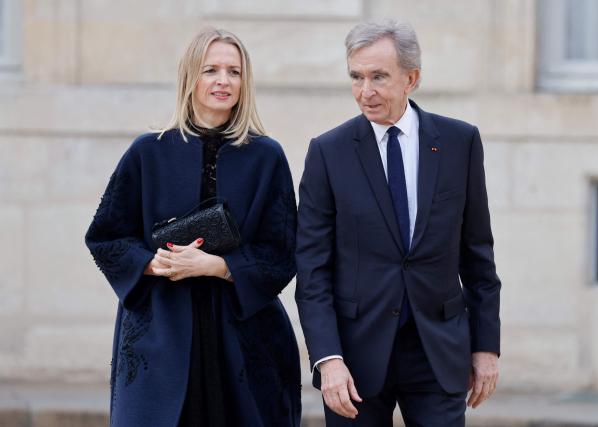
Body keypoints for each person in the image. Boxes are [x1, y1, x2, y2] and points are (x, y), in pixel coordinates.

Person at [85, 28, 301, 427]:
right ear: (190, 77)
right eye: (211, 70)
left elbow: (284, 250)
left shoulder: (266, 157)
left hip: (244, 337)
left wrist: (217, 267)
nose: (224, 81)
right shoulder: (147, 152)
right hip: (161, 334)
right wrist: (156, 264)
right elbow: (106, 237)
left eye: (234, 72)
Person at [295, 20, 501, 426]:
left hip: (438, 350)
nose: (365, 91)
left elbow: (478, 255)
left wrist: (486, 348)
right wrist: (327, 359)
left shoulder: (460, 143)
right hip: (354, 359)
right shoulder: (327, 152)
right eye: (356, 77)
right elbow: (312, 269)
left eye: (378, 77)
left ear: (412, 78)